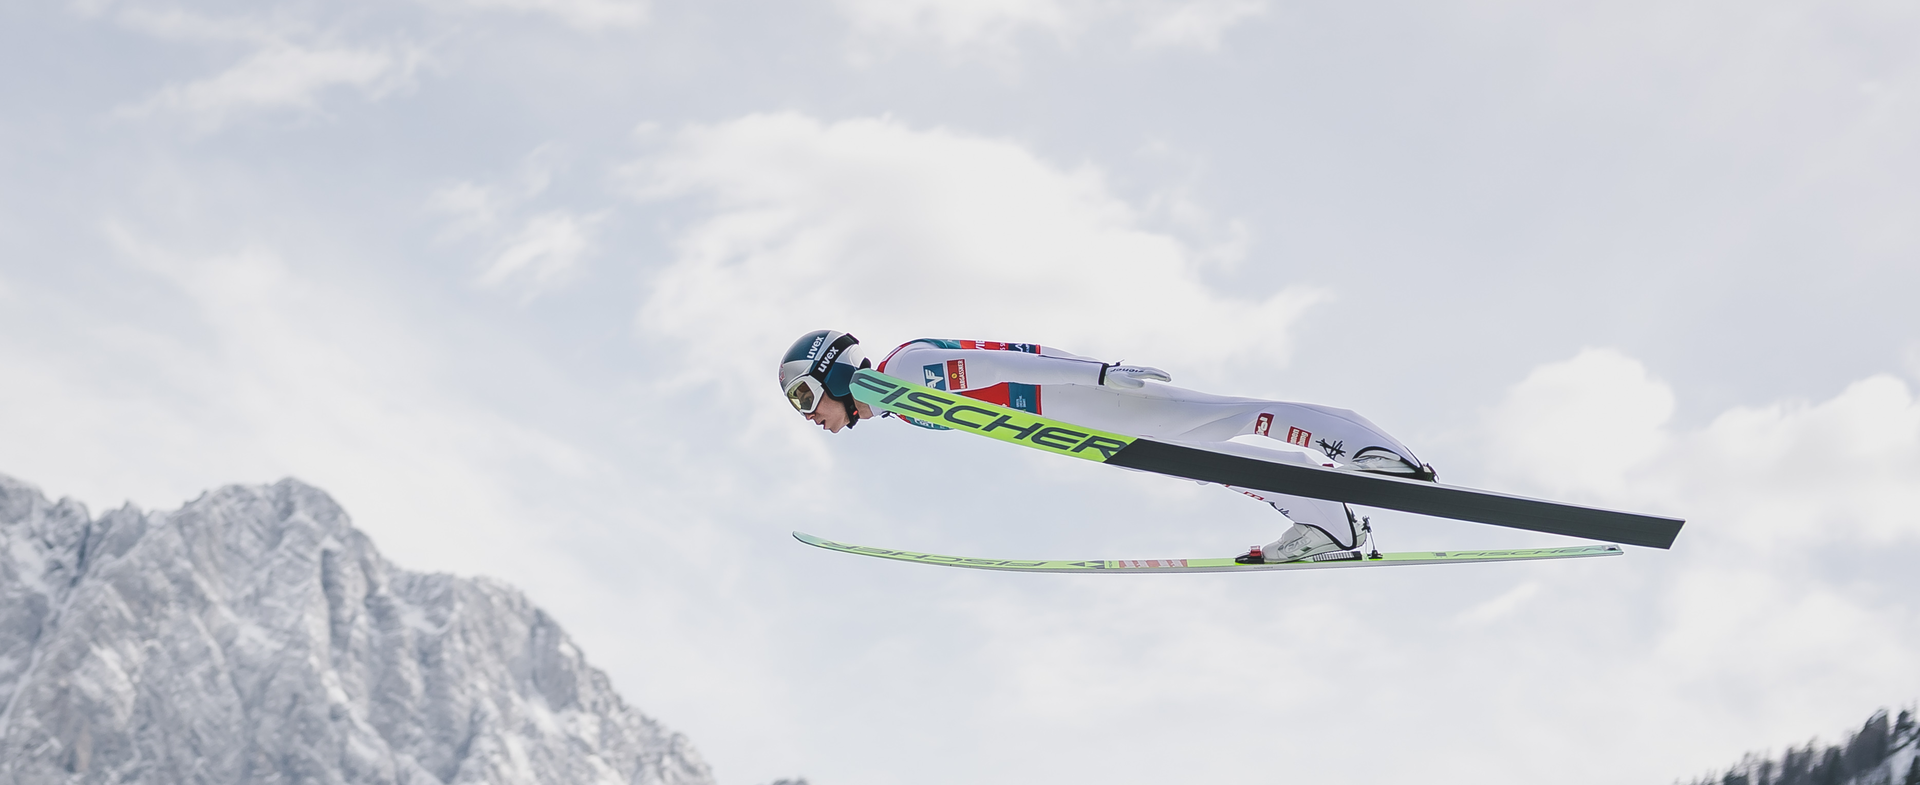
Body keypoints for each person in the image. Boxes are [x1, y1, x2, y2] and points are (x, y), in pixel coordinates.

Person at [777, 330, 1436, 564]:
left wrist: (1095, 372)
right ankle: (1327, 522)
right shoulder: (902, 402)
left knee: (1225, 420)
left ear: (834, 368)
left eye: (807, 398)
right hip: (1078, 418)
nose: (811, 417)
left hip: (1084, 400)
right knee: (1211, 460)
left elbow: (1010, 359)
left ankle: (1363, 446)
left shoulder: (904, 371)